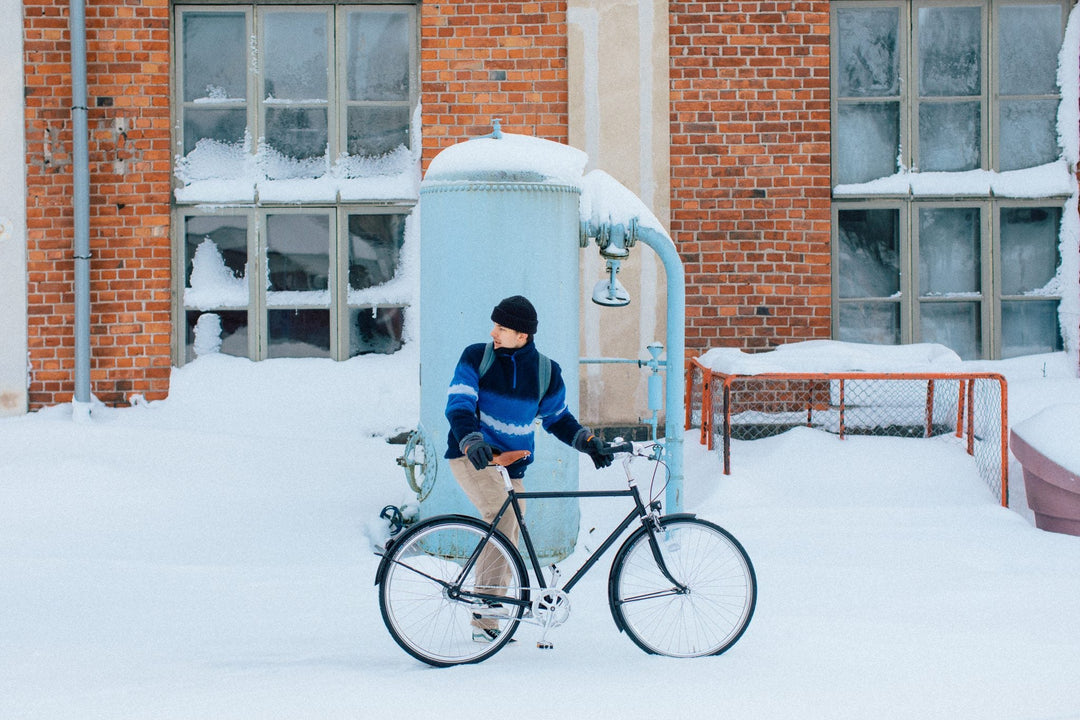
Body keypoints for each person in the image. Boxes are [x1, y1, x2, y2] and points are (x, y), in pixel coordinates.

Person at [444, 295, 610, 642]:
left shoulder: (546, 372)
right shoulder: (476, 357)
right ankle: (486, 612)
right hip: (472, 456)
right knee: (502, 518)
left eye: (502, 328)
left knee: (509, 531)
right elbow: (459, 404)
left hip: (512, 467)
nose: (493, 332)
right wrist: (471, 440)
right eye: (494, 325)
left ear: (523, 335)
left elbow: (558, 419)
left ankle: (489, 614)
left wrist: (587, 441)